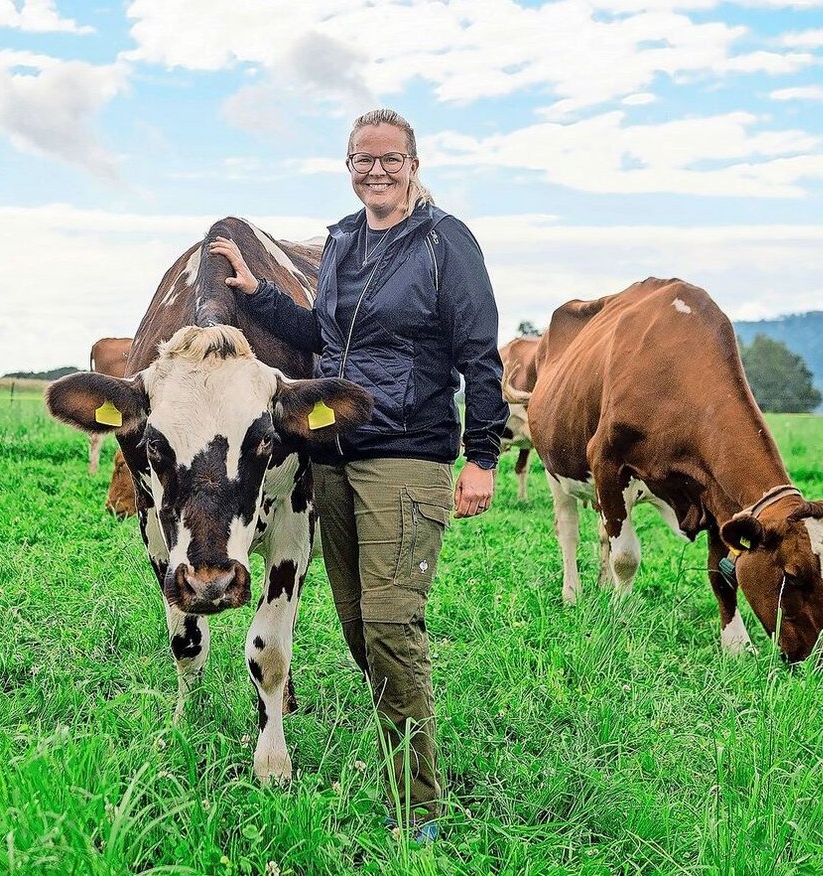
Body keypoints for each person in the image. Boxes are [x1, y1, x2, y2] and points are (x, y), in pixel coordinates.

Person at [208, 108, 505, 840]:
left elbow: (480, 353)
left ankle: (419, 812)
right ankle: (401, 747)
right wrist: (258, 295)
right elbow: (323, 334)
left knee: (393, 626)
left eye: (390, 159)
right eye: (362, 160)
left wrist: (485, 456)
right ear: (348, 166)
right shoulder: (342, 238)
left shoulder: (444, 242)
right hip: (334, 458)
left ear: (412, 163)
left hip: (407, 453)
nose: (376, 171)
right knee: (355, 624)